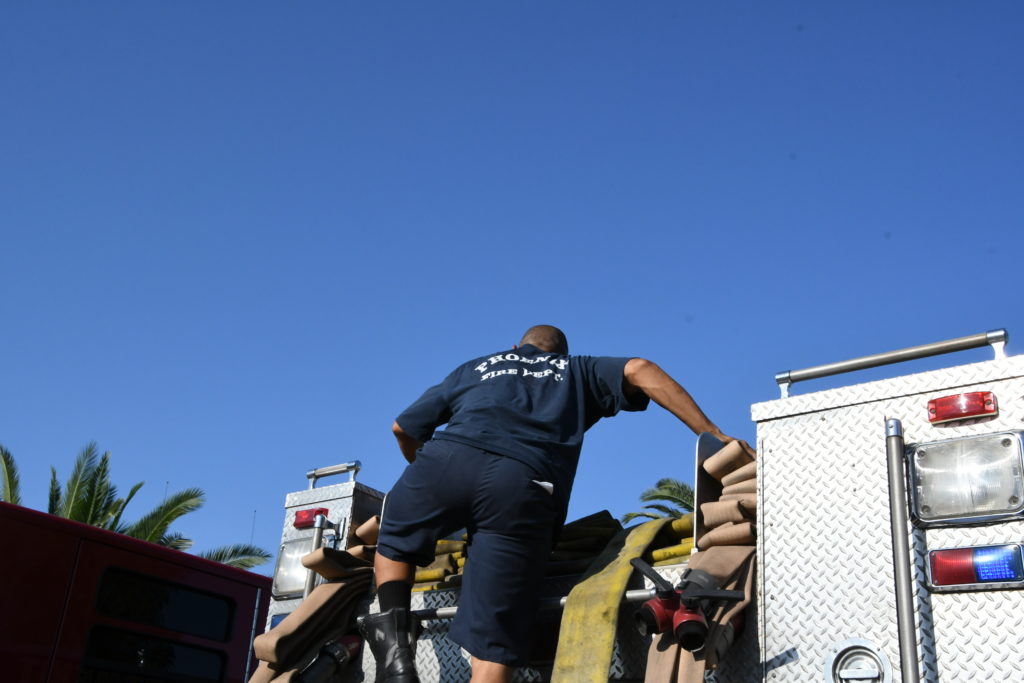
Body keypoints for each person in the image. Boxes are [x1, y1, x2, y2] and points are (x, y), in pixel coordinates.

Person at [358, 325, 752, 683]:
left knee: (395, 538)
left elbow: (402, 428)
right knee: (495, 640)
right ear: (560, 354)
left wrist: (432, 480)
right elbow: (639, 369)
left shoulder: (477, 367)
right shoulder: (576, 369)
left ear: (515, 348)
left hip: (444, 462)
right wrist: (712, 432)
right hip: (522, 484)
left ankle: (396, 662)